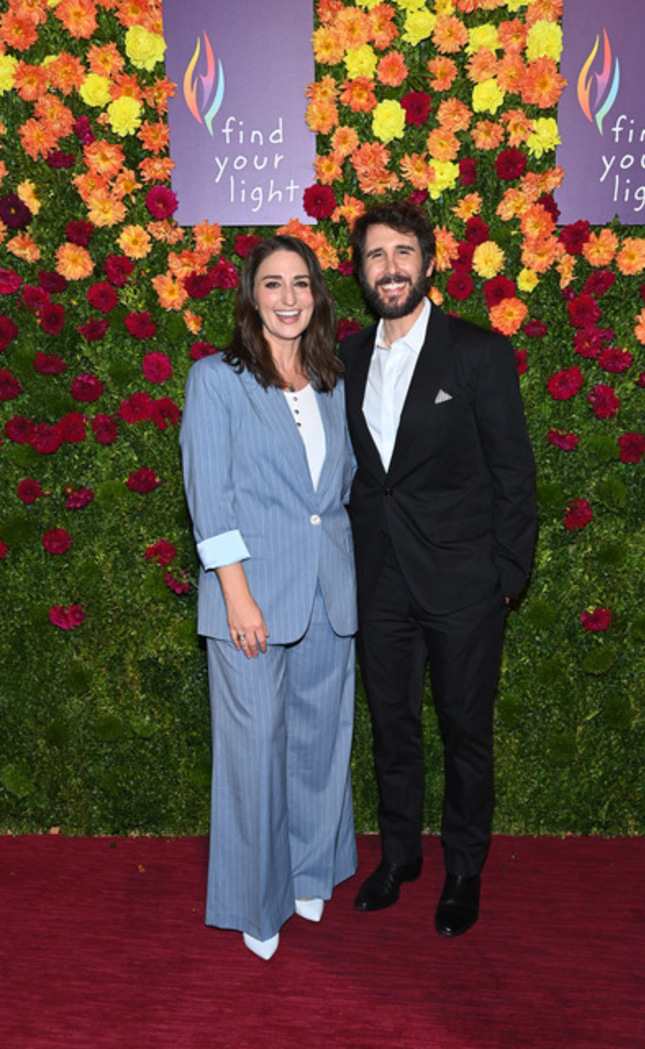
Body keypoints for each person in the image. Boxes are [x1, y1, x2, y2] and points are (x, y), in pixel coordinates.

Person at [339, 202, 537, 937]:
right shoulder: (348, 355)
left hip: (464, 585)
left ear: (428, 260)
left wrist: (506, 577)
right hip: (380, 580)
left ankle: (461, 868)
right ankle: (398, 857)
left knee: (464, 730)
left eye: (401, 253)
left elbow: (513, 473)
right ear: (360, 272)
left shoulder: (478, 353)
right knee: (392, 728)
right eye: (374, 256)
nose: (389, 268)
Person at [180, 235, 357, 961]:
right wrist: (236, 596)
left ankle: (311, 871)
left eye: (302, 284)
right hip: (249, 594)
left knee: (321, 743)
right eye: (274, 284)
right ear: (251, 295)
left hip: (328, 588)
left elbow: (335, 492)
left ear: (317, 295)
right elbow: (208, 493)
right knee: (254, 752)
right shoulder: (216, 379)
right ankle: (258, 902)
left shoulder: (332, 377)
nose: (289, 298)